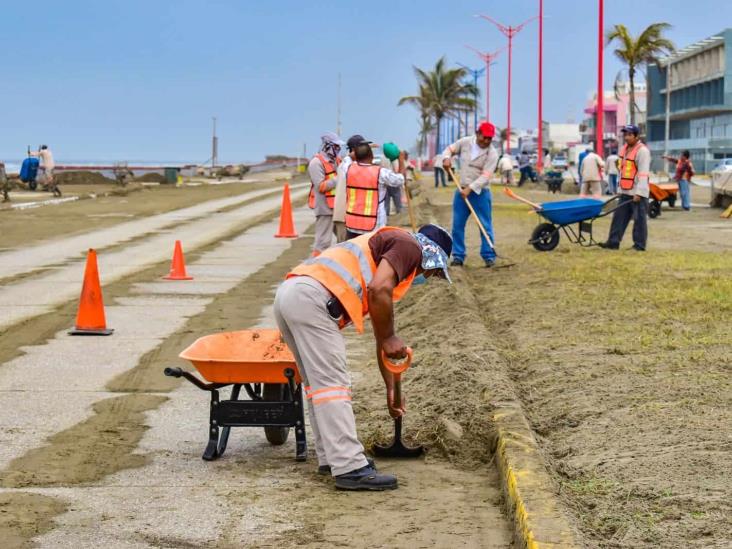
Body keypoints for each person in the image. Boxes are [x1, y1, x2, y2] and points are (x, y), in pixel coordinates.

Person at [274, 223, 453, 490]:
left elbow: (382, 340)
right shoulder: (409, 246)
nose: (427, 277)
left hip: (292, 294)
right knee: (334, 386)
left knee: (319, 388)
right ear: (431, 255)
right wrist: (392, 337)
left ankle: (331, 458)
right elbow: (379, 290)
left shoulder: (389, 250)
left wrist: (391, 389)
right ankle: (349, 467)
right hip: (312, 299)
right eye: (434, 271)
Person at [442, 121, 499, 268]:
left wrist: (470, 189)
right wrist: (446, 158)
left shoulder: (492, 153)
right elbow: (448, 150)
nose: (486, 141)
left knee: (485, 225)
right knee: (457, 225)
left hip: (481, 193)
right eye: (484, 137)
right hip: (461, 191)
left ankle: (489, 255)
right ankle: (458, 256)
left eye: (489, 138)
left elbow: (485, 176)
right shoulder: (465, 142)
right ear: (478, 133)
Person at [600, 125, 651, 251]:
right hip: (625, 190)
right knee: (619, 217)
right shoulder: (624, 149)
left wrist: (639, 193)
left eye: (629, 135)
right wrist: (620, 189)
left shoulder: (642, 151)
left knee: (639, 220)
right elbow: (622, 170)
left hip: (637, 192)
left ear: (636, 136)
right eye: (625, 135)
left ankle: (639, 245)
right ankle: (613, 242)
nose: (626, 137)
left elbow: (643, 173)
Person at [343, 137, 405, 240]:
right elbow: (400, 179)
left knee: (354, 253)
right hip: (374, 226)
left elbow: (347, 158)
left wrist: (359, 150)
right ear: (371, 156)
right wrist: (401, 160)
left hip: (352, 225)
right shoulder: (380, 173)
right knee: (371, 255)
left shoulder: (348, 169)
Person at [307, 132, 344, 256]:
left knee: (343, 240)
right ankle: (314, 268)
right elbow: (321, 186)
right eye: (336, 146)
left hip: (337, 207)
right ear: (327, 146)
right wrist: (339, 178)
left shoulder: (337, 161)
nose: (338, 149)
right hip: (324, 208)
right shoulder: (316, 163)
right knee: (323, 243)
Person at [332, 135, 362, 243]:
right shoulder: (347, 165)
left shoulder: (349, 163)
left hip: (347, 216)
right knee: (344, 250)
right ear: (354, 150)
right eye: (362, 148)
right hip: (343, 216)